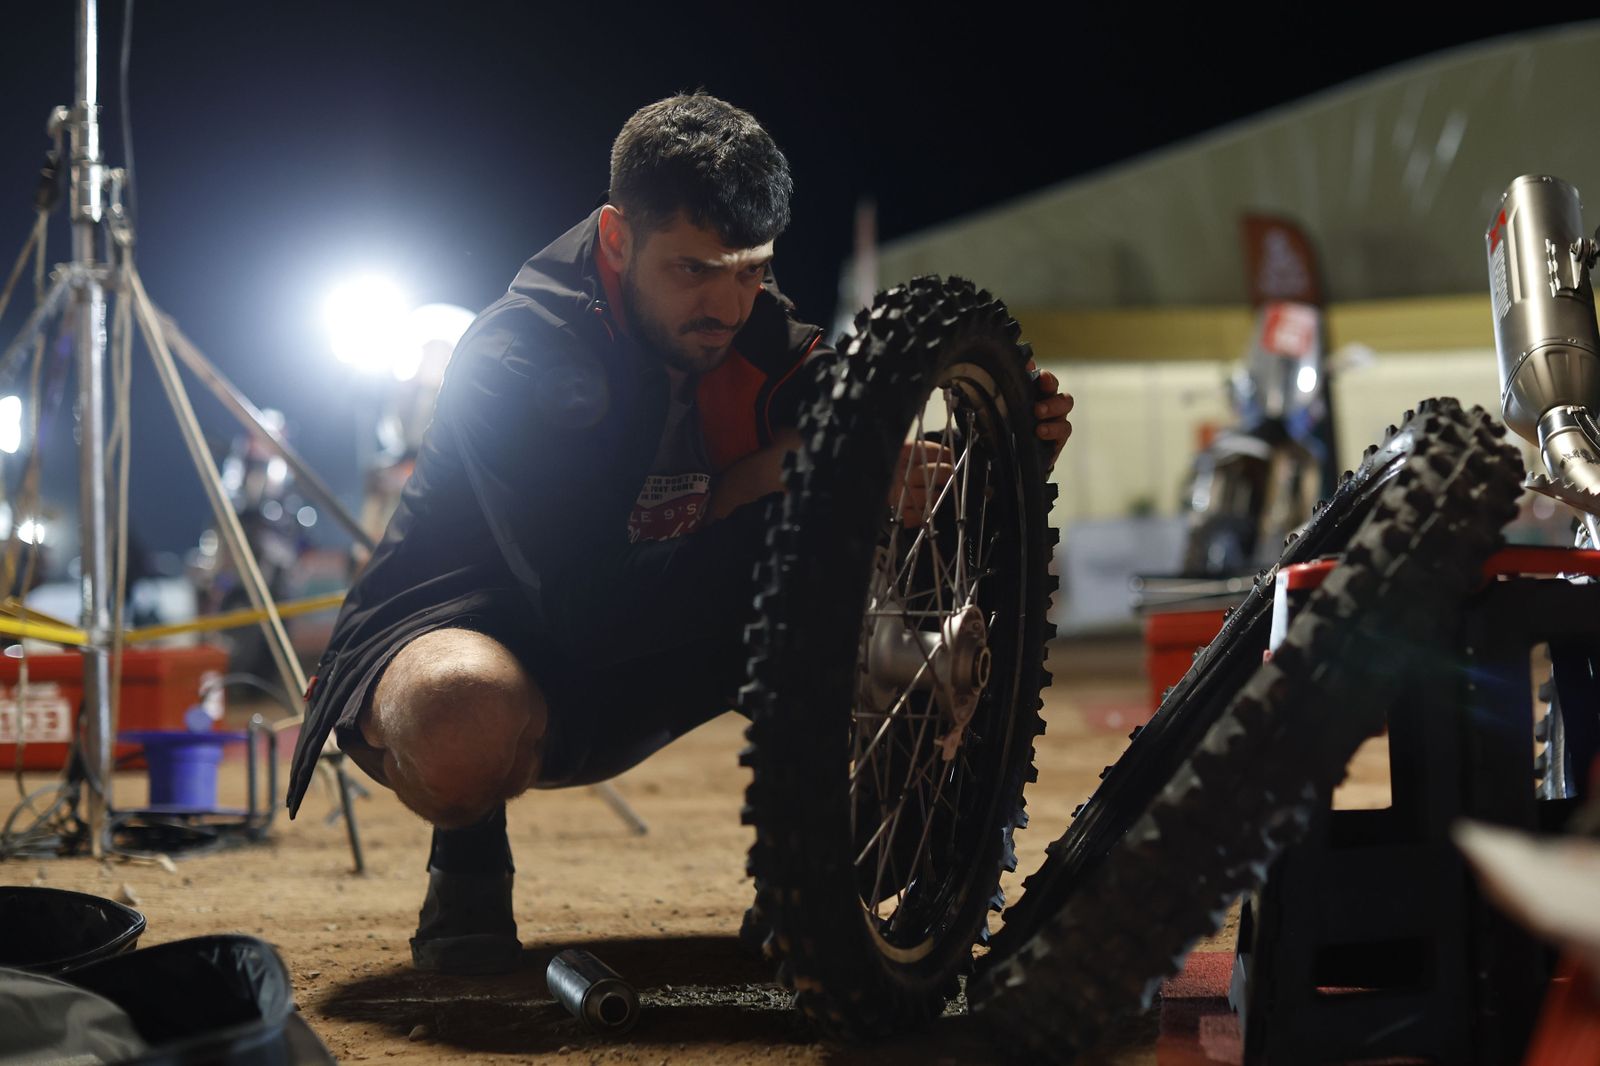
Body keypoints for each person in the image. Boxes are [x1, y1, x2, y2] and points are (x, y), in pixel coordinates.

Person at [285, 92, 1074, 974]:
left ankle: (825, 883)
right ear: (618, 240)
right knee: (460, 719)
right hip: (485, 621)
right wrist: (812, 511)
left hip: (646, 622)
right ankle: (468, 865)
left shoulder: (753, 322)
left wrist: (991, 433)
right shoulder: (519, 357)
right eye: (694, 270)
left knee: (866, 536)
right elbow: (585, 608)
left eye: (749, 270)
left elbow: (866, 411)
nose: (728, 304)